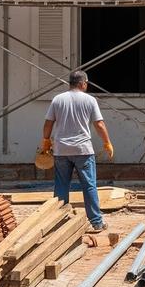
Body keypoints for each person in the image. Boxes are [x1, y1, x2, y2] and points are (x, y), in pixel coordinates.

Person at [41, 70, 113, 231]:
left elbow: (48, 123)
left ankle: (58, 221)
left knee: (61, 185)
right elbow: (99, 124)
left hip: (61, 150)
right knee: (89, 186)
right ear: (83, 83)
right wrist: (107, 142)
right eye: (86, 83)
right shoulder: (90, 100)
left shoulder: (58, 100)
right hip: (83, 150)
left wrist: (46, 140)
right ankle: (96, 222)